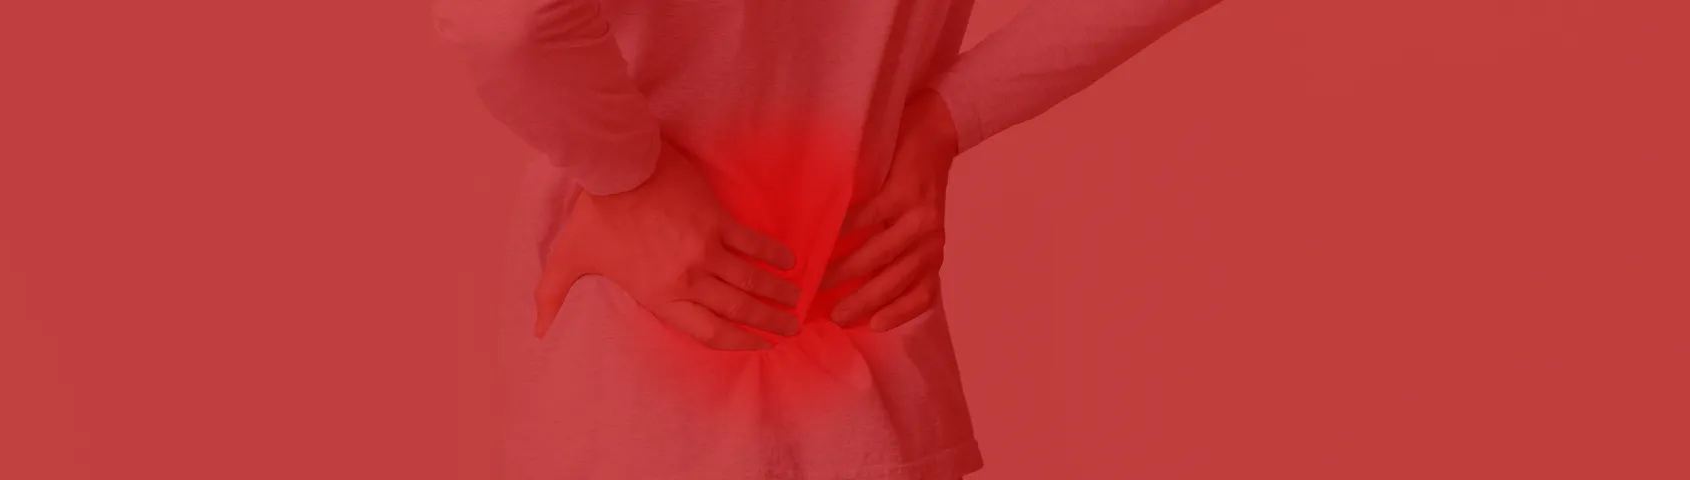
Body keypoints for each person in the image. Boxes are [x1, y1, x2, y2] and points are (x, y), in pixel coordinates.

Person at [437, 0, 1222, 477]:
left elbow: (503, 18)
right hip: (869, 372)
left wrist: (631, 175)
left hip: (633, 390)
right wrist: (950, 113)